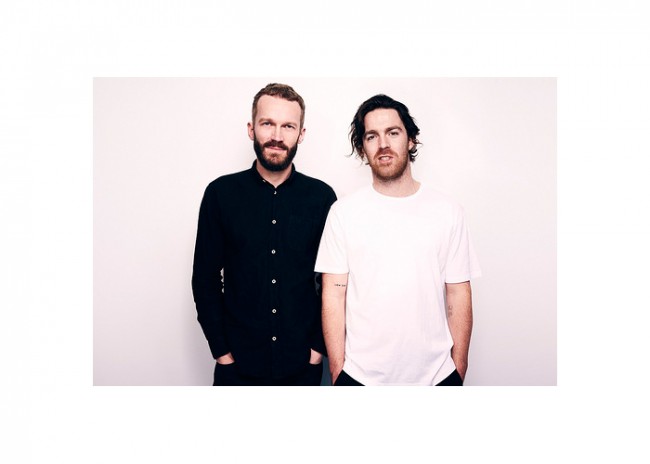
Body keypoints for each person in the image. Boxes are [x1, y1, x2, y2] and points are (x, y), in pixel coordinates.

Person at [315, 94, 481, 386]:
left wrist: (458, 369)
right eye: (372, 136)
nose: (383, 144)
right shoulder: (343, 213)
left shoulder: (448, 211)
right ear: (362, 148)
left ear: (411, 140)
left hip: (437, 377)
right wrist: (339, 372)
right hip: (360, 378)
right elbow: (334, 295)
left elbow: (458, 292)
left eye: (393, 132)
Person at [192, 83, 337, 386]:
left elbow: (331, 282)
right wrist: (222, 352)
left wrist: (316, 350)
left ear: (301, 134)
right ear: (251, 128)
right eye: (267, 123)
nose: (277, 136)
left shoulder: (322, 198)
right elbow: (205, 279)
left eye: (288, 126)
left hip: (302, 367)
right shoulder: (220, 194)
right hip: (236, 368)